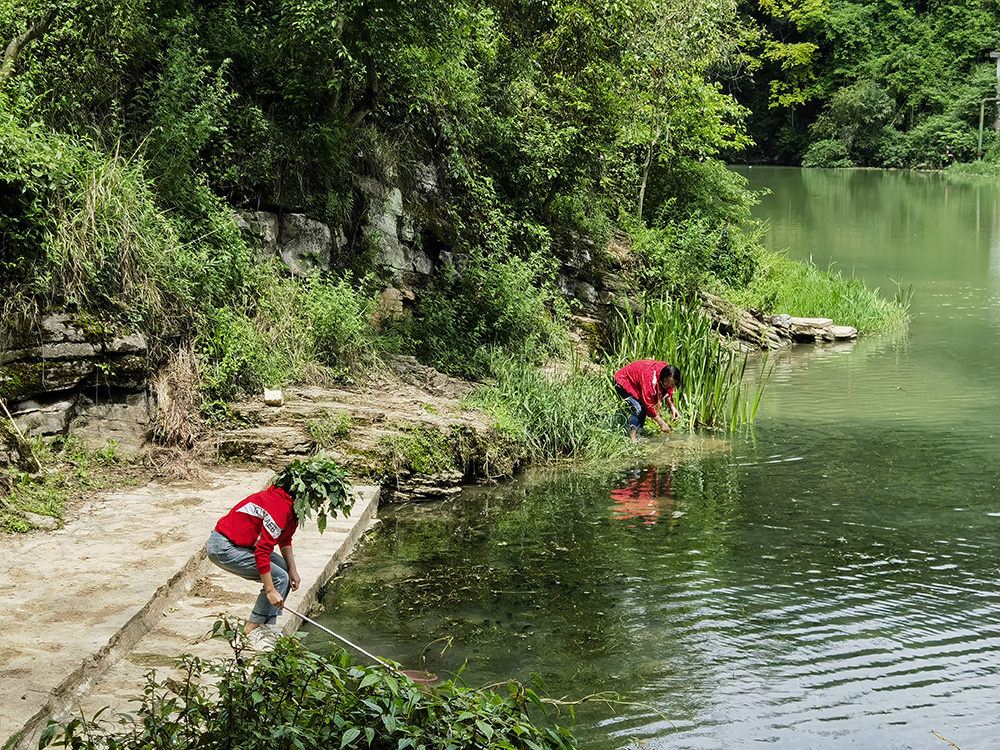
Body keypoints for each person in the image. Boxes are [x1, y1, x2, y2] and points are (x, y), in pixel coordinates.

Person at [206, 482, 301, 652]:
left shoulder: (289, 506)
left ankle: (264, 626)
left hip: (243, 544)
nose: (322, 501)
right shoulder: (280, 508)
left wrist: (293, 569)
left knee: (285, 571)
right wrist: (270, 590)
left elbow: (284, 538)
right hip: (223, 547)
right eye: (320, 496)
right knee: (279, 577)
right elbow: (262, 553)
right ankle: (250, 631)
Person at [614, 359, 681, 441]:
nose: (672, 386)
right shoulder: (650, 381)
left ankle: (637, 435)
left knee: (643, 409)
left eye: (673, 384)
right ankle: (632, 439)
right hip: (624, 381)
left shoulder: (668, 373)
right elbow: (648, 406)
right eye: (670, 384)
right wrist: (662, 424)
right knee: (638, 409)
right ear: (663, 381)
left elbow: (667, 392)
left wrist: (672, 408)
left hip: (637, 384)